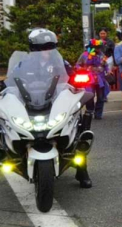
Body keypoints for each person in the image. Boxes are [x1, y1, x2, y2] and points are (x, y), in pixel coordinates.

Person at [27, 28, 92, 188]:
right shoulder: (25, 63)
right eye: (43, 47)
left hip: (57, 102)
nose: (48, 50)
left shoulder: (60, 62)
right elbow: (13, 78)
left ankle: (82, 170)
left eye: (50, 46)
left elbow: (72, 75)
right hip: (33, 103)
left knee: (77, 131)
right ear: (34, 48)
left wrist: (77, 82)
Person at [75, 39, 110, 120]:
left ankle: (98, 114)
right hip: (88, 79)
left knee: (101, 97)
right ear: (91, 47)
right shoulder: (84, 55)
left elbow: (106, 65)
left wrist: (108, 71)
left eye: (99, 47)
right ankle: (90, 111)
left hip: (100, 78)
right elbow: (77, 65)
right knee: (90, 96)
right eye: (96, 47)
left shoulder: (101, 55)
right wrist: (82, 69)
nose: (98, 49)